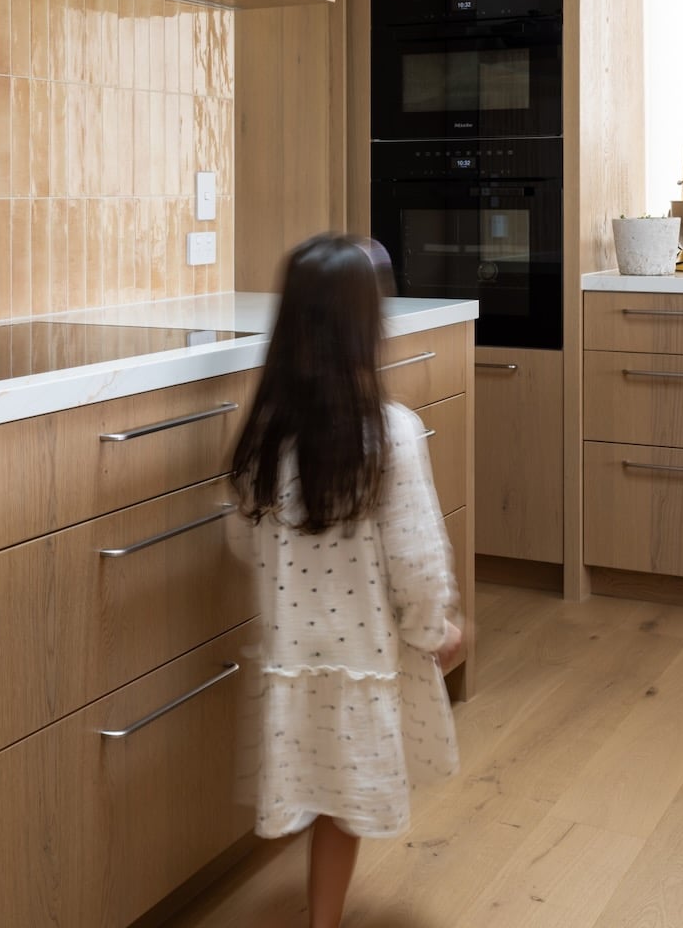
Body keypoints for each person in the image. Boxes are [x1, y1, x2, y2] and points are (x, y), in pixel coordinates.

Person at [231, 232, 462, 928]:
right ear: (369, 326)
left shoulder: (266, 434)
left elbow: (242, 541)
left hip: (292, 662)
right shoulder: (390, 433)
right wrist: (437, 630)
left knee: (314, 790)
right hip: (362, 663)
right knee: (340, 805)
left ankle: (319, 917)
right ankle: (323, 919)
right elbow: (417, 558)